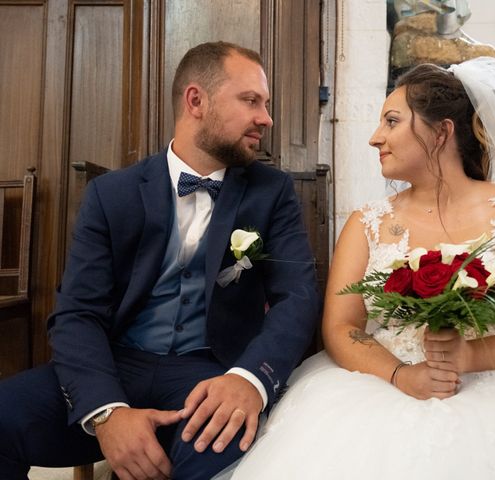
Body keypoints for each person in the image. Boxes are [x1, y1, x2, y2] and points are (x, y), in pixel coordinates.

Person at [218, 57, 495, 479]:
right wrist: (401, 375)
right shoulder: (367, 223)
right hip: (382, 390)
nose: (374, 137)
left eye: (391, 121)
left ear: (441, 133)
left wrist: (469, 355)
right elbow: (342, 327)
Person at [0, 41, 320, 480]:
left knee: (214, 452)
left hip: (210, 374)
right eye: (251, 101)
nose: (266, 118)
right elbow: (77, 313)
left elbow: (297, 298)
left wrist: (248, 378)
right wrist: (107, 412)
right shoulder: (112, 194)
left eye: (265, 104)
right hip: (115, 365)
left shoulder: (273, 191)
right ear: (196, 101)